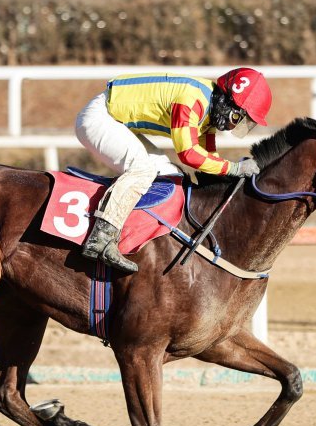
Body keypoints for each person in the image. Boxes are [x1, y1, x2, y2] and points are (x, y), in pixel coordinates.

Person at [74, 67, 273, 273]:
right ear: (227, 103)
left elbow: (209, 157)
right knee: (143, 170)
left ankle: (142, 236)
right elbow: (189, 153)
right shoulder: (191, 100)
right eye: (237, 118)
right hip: (99, 118)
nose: (233, 127)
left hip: (115, 121)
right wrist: (234, 168)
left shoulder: (210, 109)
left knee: (169, 172)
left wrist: (230, 177)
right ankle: (102, 237)